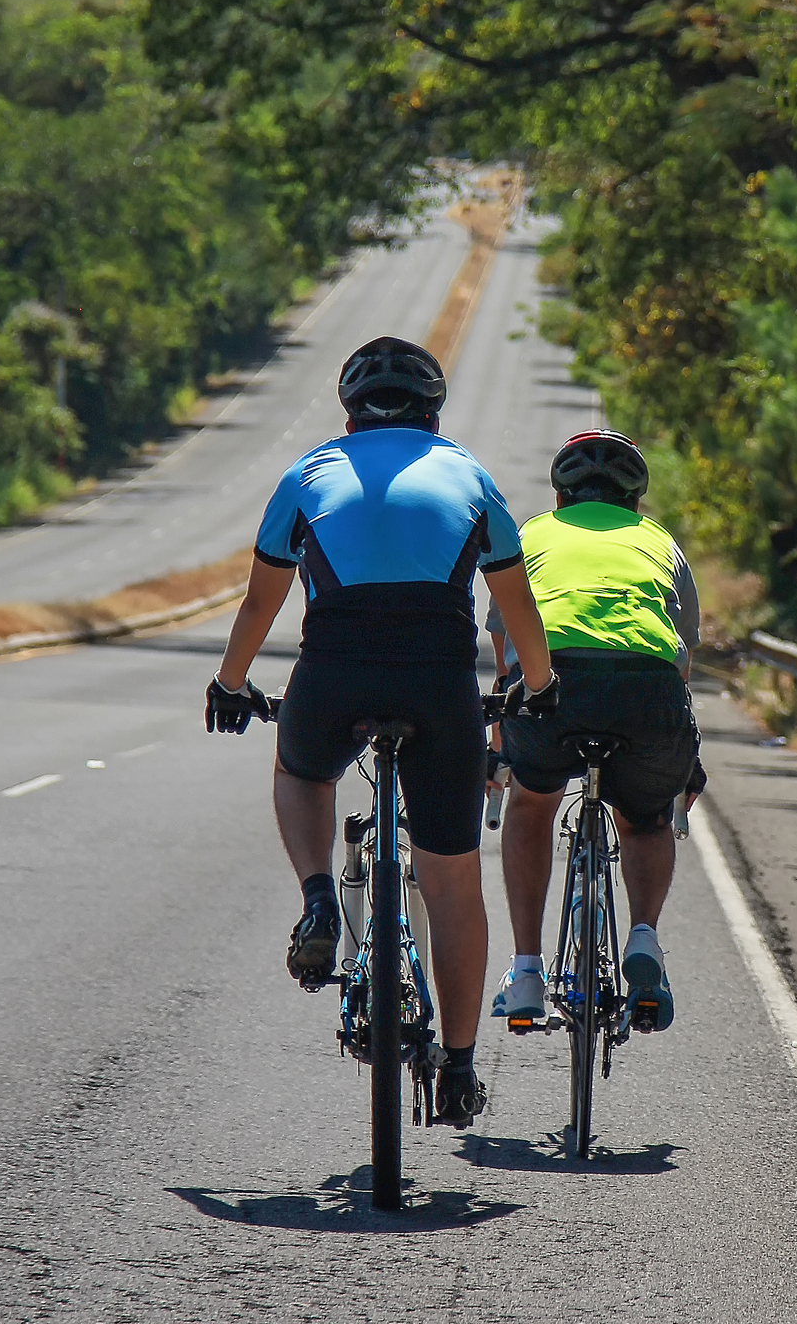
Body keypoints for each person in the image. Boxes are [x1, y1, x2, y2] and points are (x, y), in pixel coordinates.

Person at [204, 336, 558, 1128]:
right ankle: (461, 1068)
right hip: (438, 687)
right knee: (456, 884)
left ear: (350, 410)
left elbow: (260, 605)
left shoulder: (308, 474)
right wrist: (538, 688)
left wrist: (230, 684)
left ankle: (319, 897)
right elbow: (521, 607)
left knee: (303, 770)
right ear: (433, 411)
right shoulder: (469, 474)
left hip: (335, 673)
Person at [488, 429, 704, 1032]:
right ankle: (643, 939)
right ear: (634, 499)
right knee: (645, 817)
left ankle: (527, 967)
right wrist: (683, 759)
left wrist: (499, 749)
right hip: (647, 690)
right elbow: (680, 659)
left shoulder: (531, 533)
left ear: (561, 495)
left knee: (530, 804)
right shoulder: (659, 541)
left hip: (550, 682)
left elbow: (507, 651)